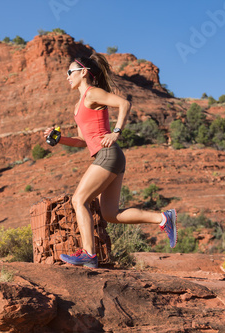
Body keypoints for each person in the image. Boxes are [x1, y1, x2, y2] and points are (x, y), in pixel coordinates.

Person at [43, 53, 177, 269]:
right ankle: (162, 219)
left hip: (108, 154)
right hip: (109, 157)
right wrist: (60, 140)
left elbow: (124, 103)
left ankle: (89, 254)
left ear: (83, 72)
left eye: (70, 72)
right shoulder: (78, 106)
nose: (67, 76)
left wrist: (116, 132)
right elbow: (82, 141)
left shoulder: (92, 93)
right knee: (110, 214)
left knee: (79, 200)